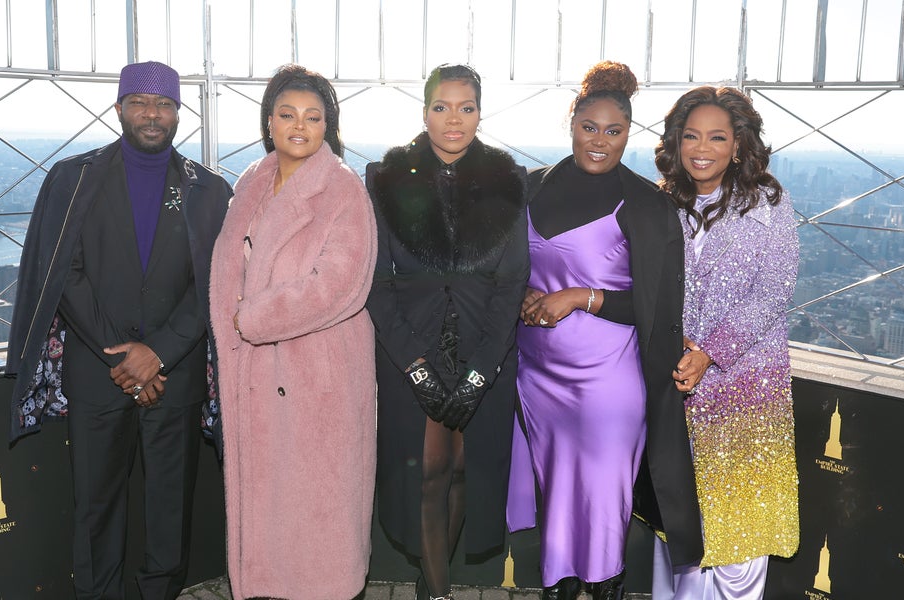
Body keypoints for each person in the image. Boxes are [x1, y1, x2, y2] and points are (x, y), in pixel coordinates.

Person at [5, 61, 232, 600]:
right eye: (140, 103)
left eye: (164, 105)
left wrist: (160, 353)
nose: (152, 115)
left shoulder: (210, 191)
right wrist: (125, 357)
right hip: (97, 373)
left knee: (169, 510)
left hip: (174, 377)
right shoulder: (72, 178)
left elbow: (216, 286)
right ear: (119, 109)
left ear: (180, 113)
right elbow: (64, 274)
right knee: (95, 508)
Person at [507, 61, 704, 600]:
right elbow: (504, 267)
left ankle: (603, 588)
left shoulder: (648, 204)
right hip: (537, 374)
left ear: (628, 134)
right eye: (589, 128)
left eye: (613, 131)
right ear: (571, 123)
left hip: (608, 379)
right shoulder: (528, 188)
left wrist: (580, 298)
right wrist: (520, 292)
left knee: (603, 499)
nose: (600, 141)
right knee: (558, 497)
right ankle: (558, 589)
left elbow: (661, 306)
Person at [207, 64, 378, 600]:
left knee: (317, 514)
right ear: (269, 121)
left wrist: (254, 319)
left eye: (312, 116)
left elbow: (340, 285)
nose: (299, 126)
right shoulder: (252, 182)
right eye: (287, 115)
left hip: (316, 376)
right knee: (269, 513)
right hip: (254, 373)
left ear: (329, 124)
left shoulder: (344, 190)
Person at [365, 64, 528, 600]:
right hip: (409, 349)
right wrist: (414, 366)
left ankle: (429, 579)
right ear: (425, 111)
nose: (453, 119)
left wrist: (482, 372)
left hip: (487, 353)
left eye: (466, 107)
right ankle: (437, 591)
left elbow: (512, 284)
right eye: (441, 107)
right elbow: (377, 284)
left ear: (481, 113)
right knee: (429, 474)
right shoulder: (386, 177)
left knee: (463, 473)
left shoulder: (509, 180)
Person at [652, 85, 800, 598]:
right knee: (681, 527)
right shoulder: (662, 200)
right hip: (676, 385)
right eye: (691, 135)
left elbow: (776, 287)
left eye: (717, 137)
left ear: (738, 145)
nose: (702, 147)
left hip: (746, 389)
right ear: (676, 141)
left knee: (739, 535)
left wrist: (710, 349)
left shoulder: (768, 202)